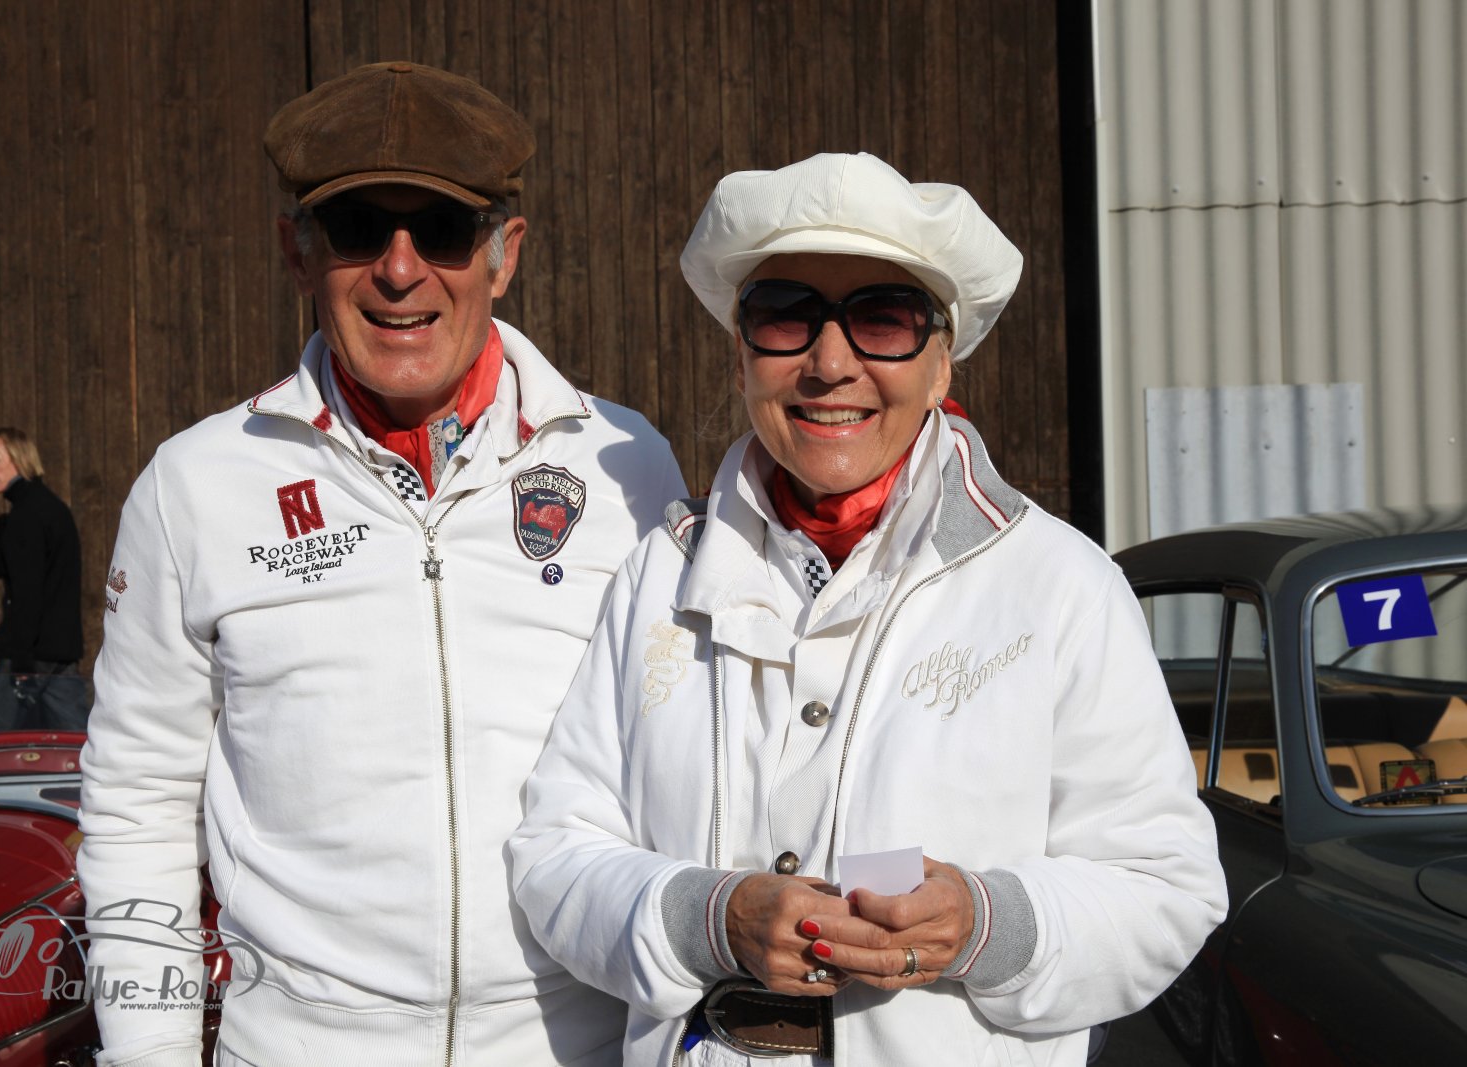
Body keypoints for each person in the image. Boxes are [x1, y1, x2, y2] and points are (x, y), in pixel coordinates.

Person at [511, 152, 1228, 1065]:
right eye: (785, 316)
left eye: (883, 319)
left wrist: (984, 922)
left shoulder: (1059, 586)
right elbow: (556, 853)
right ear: (742, 353)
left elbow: (1165, 888)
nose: (830, 363)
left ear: (941, 364)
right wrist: (710, 918)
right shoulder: (658, 576)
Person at [76, 62, 686, 1067]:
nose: (401, 271)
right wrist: (149, 1052)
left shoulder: (626, 466)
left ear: (505, 254)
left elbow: (683, 769)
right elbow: (139, 803)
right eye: (359, 228)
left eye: (441, 231)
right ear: (298, 252)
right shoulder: (196, 486)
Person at [0, 427, 88, 731]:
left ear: (17, 460)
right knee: (77, 741)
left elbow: (28, 594)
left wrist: (18, 657)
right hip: (57, 651)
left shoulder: (27, 516)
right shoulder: (50, 507)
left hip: (33, 654)